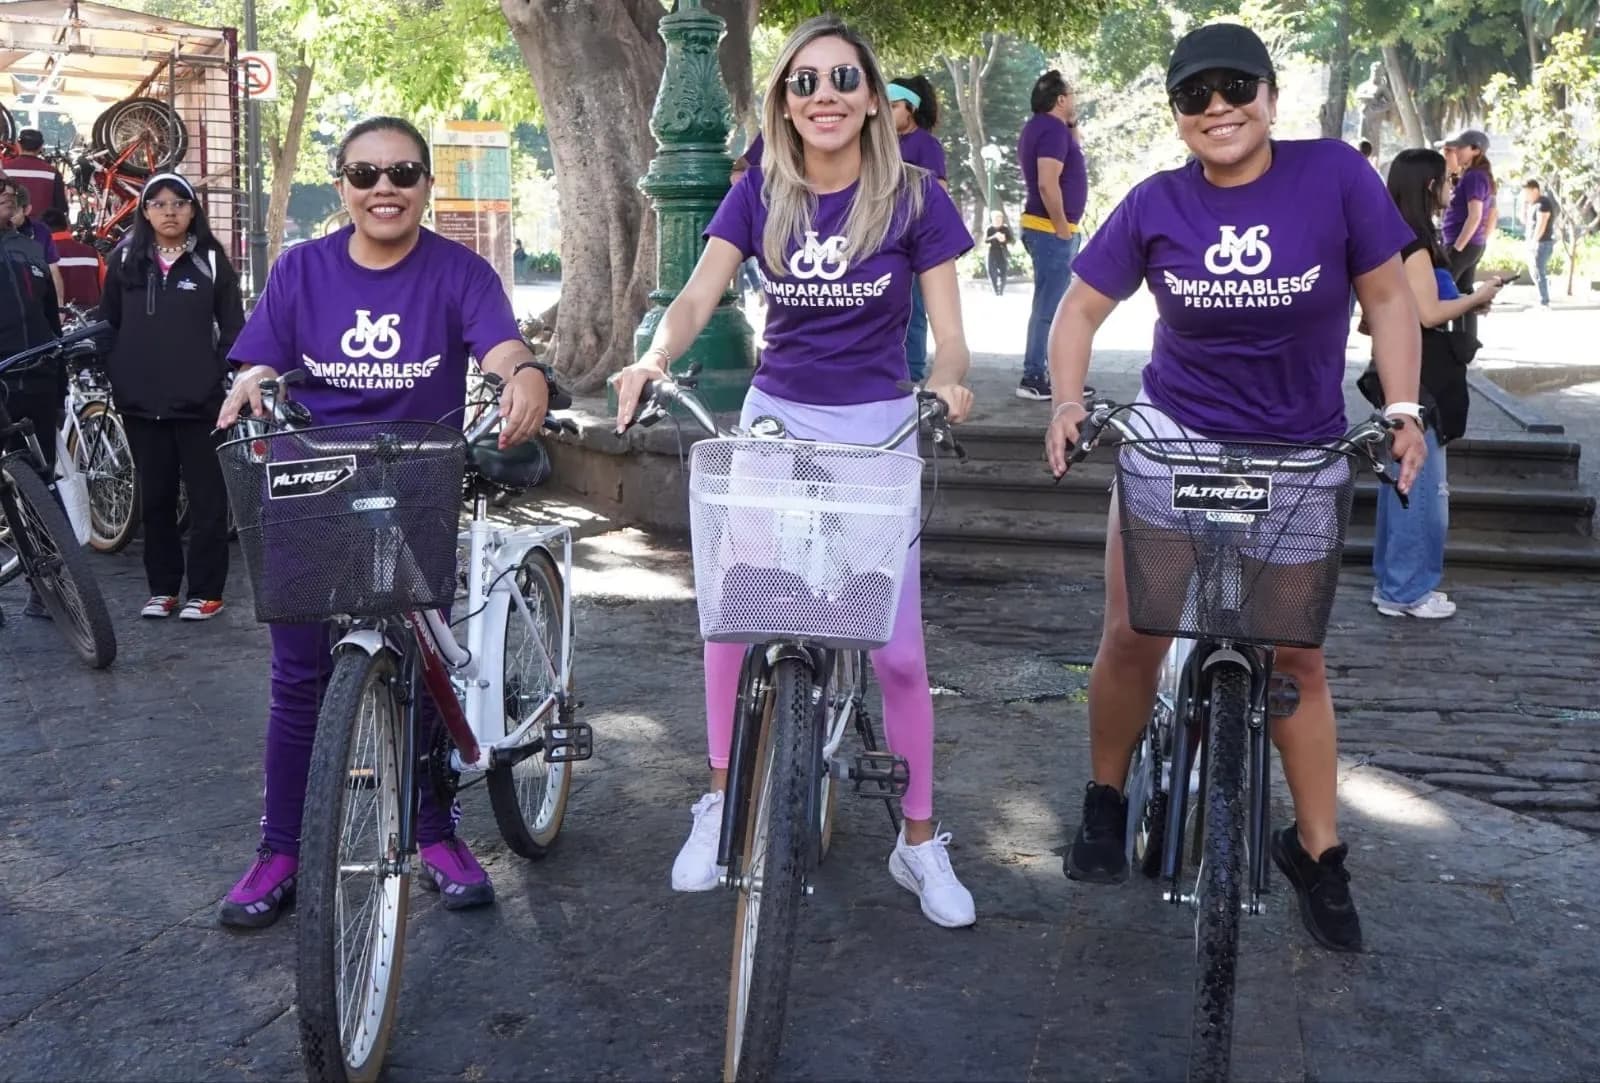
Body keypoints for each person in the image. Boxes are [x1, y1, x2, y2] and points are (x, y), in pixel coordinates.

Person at [1043, 23, 1426, 953]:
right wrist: (1066, 401)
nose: (1218, 107)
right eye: (1194, 94)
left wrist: (1404, 408)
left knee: (1296, 658)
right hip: (1176, 438)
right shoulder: (1156, 201)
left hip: (1299, 450)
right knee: (1135, 630)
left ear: (1270, 94)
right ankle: (1106, 796)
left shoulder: (1335, 174)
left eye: (1236, 86)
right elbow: (1079, 309)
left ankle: (1317, 850)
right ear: (1178, 114)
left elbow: (1387, 298)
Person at [612, 15, 980, 928]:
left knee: (898, 651)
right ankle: (719, 797)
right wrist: (654, 357)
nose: (825, 96)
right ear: (782, 101)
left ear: (874, 98)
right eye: (804, 81)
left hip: (878, 426)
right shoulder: (759, 190)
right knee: (736, 614)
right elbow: (698, 294)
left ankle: (918, 840)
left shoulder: (917, 198)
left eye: (844, 79)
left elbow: (949, 334)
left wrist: (948, 381)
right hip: (777, 417)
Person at [213, 116, 552, 928]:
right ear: (342, 186)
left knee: (425, 665)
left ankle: (435, 829)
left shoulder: (460, 272)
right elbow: (260, 357)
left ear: (427, 184)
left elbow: (501, 347)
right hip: (311, 487)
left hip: (415, 488)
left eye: (402, 172)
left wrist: (524, 373)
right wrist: (252, 377)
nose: (384, 189)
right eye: (364, 175)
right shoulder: (301, 269)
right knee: (297, 675)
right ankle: (281, 847)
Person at [97, 173, 245, 622]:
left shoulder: (211, 261)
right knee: (156, 502)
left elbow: (234, 330)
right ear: (145, 212)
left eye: (179, 203)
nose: (169, 212)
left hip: (201, 407)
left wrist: (218, 377)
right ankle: (162, 590)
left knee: (207, 503)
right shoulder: (125, 259)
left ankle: (206, 592)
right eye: (159, 204)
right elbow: (108, 325)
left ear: (192, 210)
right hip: (141, 405)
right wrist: (118, 373)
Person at [1369, 150, 1504, 621]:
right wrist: (1477, 295)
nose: (1453, 189)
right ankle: (1406, 589)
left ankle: (1394, 582)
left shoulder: (1392, 239)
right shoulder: (1414, 245)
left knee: (1400, 483)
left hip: (1406, 372)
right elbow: (1427, 314)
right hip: (1420, 376)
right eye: (1447, 181)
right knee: (1420, 486)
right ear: (1429, 186)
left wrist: (1467, 302)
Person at [0, 177, 64, 621]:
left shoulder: (30, 249)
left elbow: (50, 322)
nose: (5, 197)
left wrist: (60, 384)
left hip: (38, 380)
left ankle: (48, 583)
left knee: (41, 486)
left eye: (7, 193)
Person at [1016, 70, 1087, 401]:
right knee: (1050, 308)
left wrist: (1071, 124)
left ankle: (1054, 377)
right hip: (1049, 229)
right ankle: (1034, 375)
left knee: (1054, 305)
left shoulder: (1047, 128)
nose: (1074, 100)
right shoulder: (1051, 129)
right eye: (1071, 96)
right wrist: (1060, 227)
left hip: (1048, 228)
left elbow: (1075, 150)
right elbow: (1047, 182)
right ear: (1060, 99)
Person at [889, 75, 948, 383]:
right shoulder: (883, 144)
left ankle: (911, 373)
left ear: (911, 109)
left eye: (893, 106)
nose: (886, 112)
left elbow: (939, 191)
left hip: (914, 239)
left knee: (913, 308)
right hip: (884, 238)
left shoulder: (926, 145)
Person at [1441, 130, 1495, 297]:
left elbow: (1475, 216)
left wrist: (1457, 249)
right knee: (1463, 294)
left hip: (1463, 243)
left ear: (1476, 150)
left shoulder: (1474, 176)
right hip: (1470, 244)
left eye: (1460, 148)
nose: (1456, 152)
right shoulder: (1472, 175)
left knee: (1442, 290)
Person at [10, 185, 65, 304]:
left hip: (34, 301)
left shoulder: (41, 231)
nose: (8, 215)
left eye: (13, 211)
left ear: (27, 210)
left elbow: (53, 272)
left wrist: (59, 306)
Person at [43, 208, 105, 309]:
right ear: (68, 227)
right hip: (89, 317)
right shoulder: (92, 254)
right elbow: (105, 289)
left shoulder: (38, 255)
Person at [2, 129, 69, 218]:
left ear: (18, 145)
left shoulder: (4, 169)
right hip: (42, 225)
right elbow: (61, 207)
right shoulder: (52, 173)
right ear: (41, 147)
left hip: (9, 223)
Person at [1522, 179, 1557, 308]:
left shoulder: (1544, 203)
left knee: (1538, 272)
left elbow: (1541, 224)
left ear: (1535, 190)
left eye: (1527, 192)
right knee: (1534, 272)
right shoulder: (1533, 204)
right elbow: (1525, 221)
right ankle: (1542, 298)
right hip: (1535, 243)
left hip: (1542, 243)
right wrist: (1524, 205)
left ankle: (1544, 301)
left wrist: (1534, 241)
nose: (1526, 195)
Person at [984, 209, 1014, 295]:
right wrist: (995, 236)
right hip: (992, 252)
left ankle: (1001, 290)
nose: (998, 220)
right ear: (993, 219)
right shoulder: (989, 229)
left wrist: (1004, 240)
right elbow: (986, 240)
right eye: (996, 218)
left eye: (1000, 218)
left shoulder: (1005, 228)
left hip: (1002, 252)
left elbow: (1010, 239)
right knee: (992, 271)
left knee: (1004, 271)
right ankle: (995, 290)